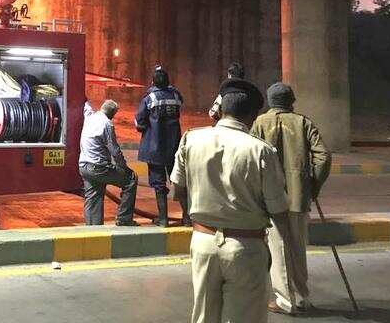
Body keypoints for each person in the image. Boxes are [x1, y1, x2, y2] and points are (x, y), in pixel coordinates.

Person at [171, 79, 291, 323]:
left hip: (202, 241)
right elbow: (278, 209)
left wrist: (193, 218)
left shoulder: (190, 140)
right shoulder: (261, 151)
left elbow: (178, 189)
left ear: (222, 109)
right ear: (252, 116)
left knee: (204, 315)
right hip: (246, 247)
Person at [250, 82, 332, 316]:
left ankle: (286, 301)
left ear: (269, 101)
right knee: (297, 248)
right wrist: (312, 186)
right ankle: (302, 297)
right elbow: (323, 157)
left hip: (271, 199)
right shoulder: (303, 122)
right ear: (291, 101)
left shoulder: (259, 123)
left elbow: (252, 157)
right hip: (298, 198)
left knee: (279, 249)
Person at [134, 65, 183, 226]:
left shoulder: (150, 98)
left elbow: (140, 121)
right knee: (179, 180)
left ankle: (163, 219)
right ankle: (188, 218)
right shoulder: (176, 95)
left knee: (158, 183)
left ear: (153, 82)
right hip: (174, 146)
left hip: (155, 148)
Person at [79, 99, 138, 226]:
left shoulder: (89, 117)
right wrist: (123, 167)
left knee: (93, 197)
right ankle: (124, 219)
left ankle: (92, 228)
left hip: (84, 166)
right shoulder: (107, 124)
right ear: (113, 113)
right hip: (98, 168)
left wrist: (84, 98)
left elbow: (86, 106)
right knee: (131, 179)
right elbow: (115, 150)